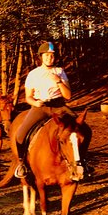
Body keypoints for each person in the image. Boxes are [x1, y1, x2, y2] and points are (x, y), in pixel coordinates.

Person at [14, 42, 73, 178]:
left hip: (59, 106)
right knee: (21, 134)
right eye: (46, 55)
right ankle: (22, 163)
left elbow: (68, 96)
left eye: (52, 56)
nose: (49, 58)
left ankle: (82, 162)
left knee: (83, 129)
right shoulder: (33, 74)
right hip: (40, 107)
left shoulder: (60, 71)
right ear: (41, 57)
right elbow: (28, 97)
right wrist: (35, 102)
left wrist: (58, 81)